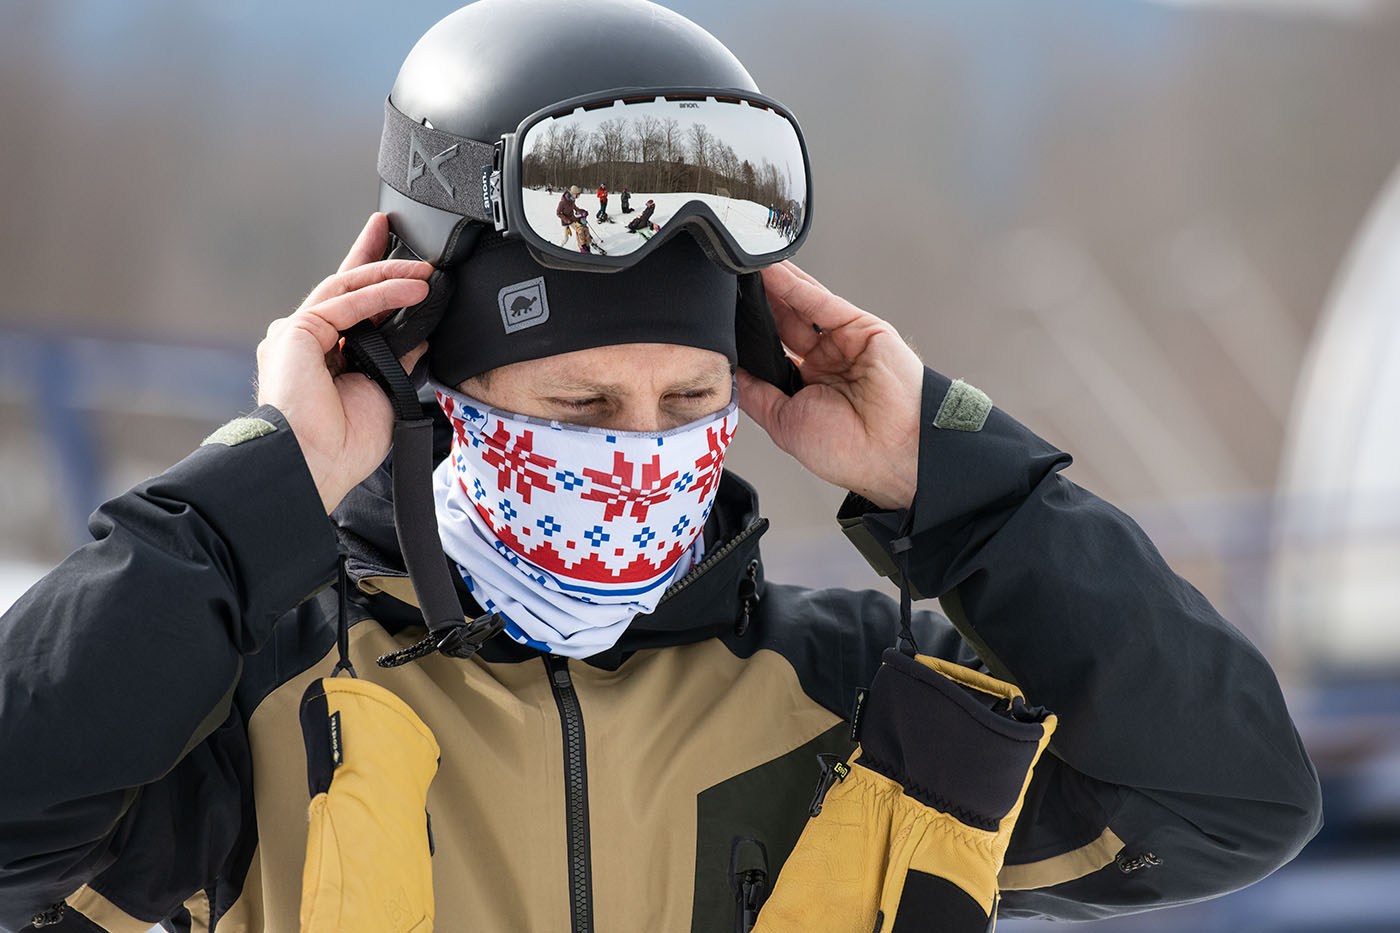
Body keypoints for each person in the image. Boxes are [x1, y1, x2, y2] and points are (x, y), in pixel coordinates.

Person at [0, 1, 1320, 931]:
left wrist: (960, 478)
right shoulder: (258, 704)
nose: (639, 453)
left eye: (689, 398)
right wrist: (261, 492)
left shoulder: (854, 698)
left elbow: (1230, 800)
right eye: (577, 400)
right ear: (425, 388)